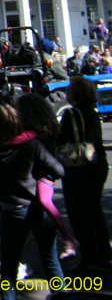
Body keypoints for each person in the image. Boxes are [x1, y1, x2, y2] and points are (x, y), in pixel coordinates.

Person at [0, 74, 65, 300]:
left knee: (8, 270)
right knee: (50, 260)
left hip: (11, 212)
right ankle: (62, 296)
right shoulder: (32, 145)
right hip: (38, 207)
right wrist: (43, 178)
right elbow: (59, 170)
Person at [58, 77, 112, 272]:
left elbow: (62, 138)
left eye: (70, 90)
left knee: (80, 214)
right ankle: (103, 255)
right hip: (97, 164)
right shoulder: (92, 112)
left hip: (78, 167)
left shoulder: (71, 113)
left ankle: (89, 258)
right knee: (95, 211)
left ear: (75, 94)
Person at [16, 94, 79, 260]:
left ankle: (68, 239)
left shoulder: (36, 131)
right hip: (36, 173)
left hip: (44, 173)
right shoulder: (47, 126)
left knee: (44, 201)